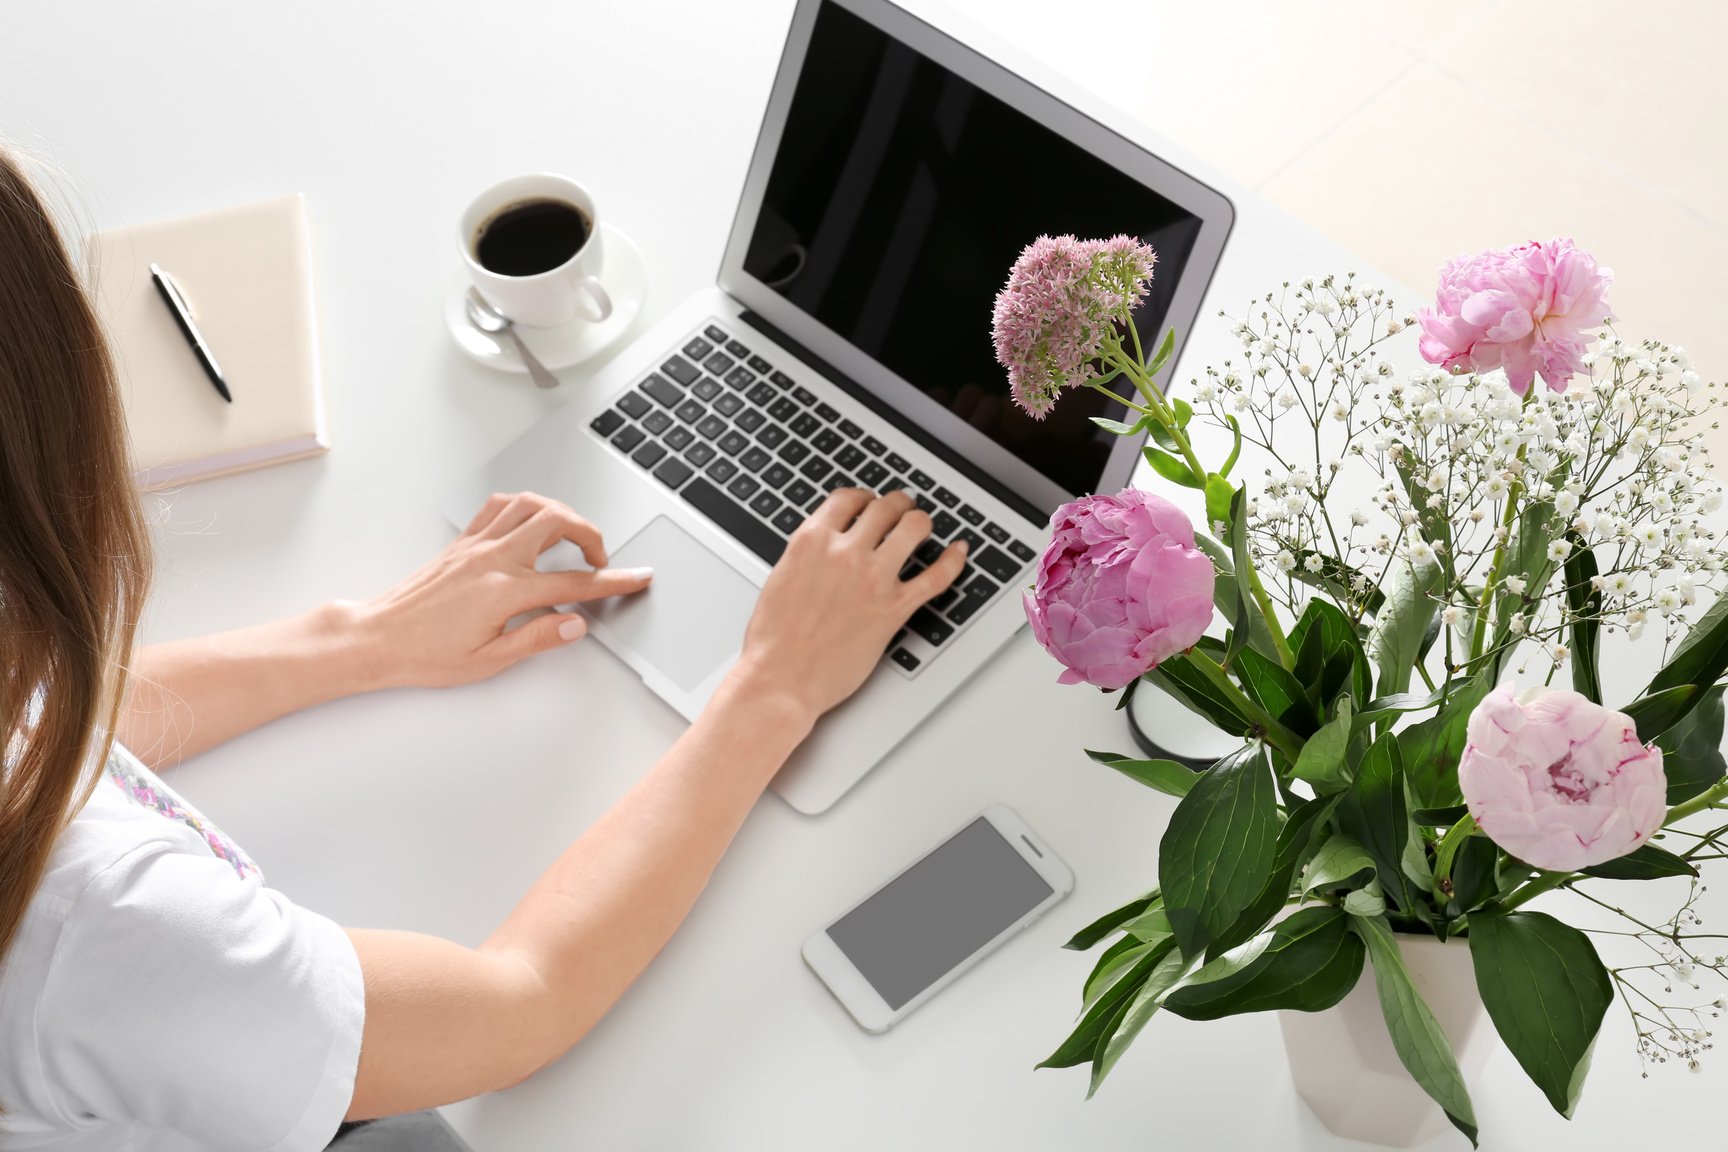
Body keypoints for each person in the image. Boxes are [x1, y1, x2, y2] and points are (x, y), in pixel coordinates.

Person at [0, 146, 968, 1150]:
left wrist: (363, 639)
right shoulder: (98, 932)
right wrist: (770, 688)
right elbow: (517, 1009)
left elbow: (42, 730)